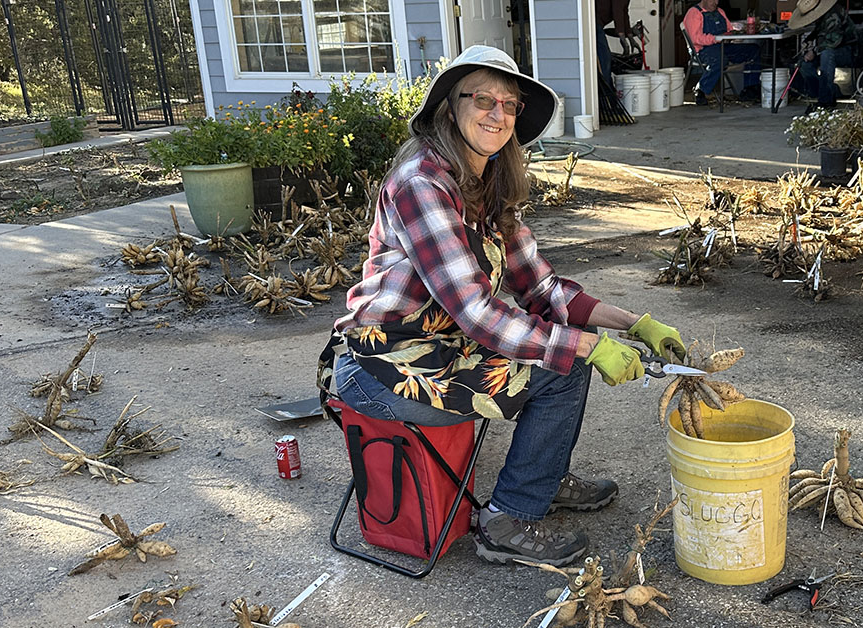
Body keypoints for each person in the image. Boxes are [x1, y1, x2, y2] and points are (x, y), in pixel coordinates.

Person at [326, 46, 687, 567]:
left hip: (441, 348)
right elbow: (477, 312)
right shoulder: (421, 184)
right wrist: (586, 345)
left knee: (563, 358)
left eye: (510, 105)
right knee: (563, 367)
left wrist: (636, 324)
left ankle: (540, 475)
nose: (498, 114)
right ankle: (507, 519)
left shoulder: (488, 183)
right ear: (451, 108)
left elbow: (540, 288)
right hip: (382, 364)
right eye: (483, 100)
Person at [683, 0, 762, 106]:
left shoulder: (720, 11)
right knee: (720, 59)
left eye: (717, 0)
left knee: (753, 50)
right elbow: (695, 38)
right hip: (702, 50)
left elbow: (729, 29)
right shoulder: (694, 13)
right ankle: (701, 90)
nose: (715, 2)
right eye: (712, 0)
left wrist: (734, 33)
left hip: (722, 46)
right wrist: (715, 39)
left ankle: (751, 88)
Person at [787, 0, 856, 113]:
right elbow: (819, 32)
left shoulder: (833, 14)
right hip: (827, 50)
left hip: (847, 51)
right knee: (804, 64)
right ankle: (824, 94)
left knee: (827, 55)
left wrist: (814, 50)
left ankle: (825, 101)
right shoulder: (823, 16)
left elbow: (834, 40)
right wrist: (808, 42)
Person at [595, 0, 634, 86]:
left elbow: (624, 11)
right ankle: (606, 90)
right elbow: (617, 10)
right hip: (593, 21)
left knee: (603, 57)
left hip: (597, 22)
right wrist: (622, 36)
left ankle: (606, 86)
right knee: (604, 58)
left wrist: (630, 35)